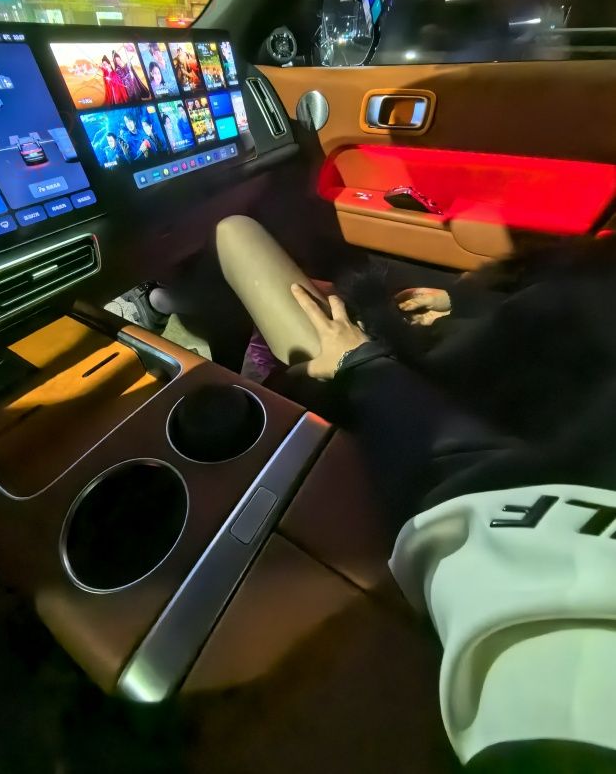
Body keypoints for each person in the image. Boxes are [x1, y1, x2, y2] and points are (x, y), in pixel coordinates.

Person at [216, 215, 616, 773]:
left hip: (433, 402)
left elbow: (469, 483)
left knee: (234, 232)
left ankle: (260, 361)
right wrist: (461, 303)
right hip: (490, 373)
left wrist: (361, 362)